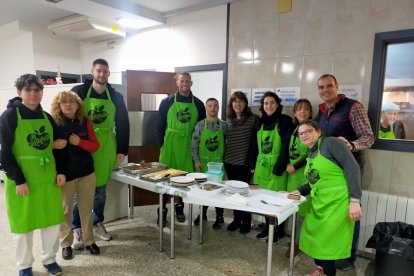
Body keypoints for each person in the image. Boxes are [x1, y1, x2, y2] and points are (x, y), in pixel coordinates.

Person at [0, 74, 65, 276]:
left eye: (37, 90)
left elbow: (58, 147)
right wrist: (18, 180)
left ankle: (49, 259)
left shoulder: (47, 117)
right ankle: (24, 265)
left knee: (51, 221)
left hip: (47, 179)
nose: (34, 94)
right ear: (19, 92)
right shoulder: (9, 117)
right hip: (22, 180)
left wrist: (61, 170)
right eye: (29, 90)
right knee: (23, 225)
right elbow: (4, 154)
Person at [315, 74, 374, 271]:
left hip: (350, 169)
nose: (325, 90)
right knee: (332, 212)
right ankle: (332, 252)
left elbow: (368, 137)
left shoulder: (353, 107)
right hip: (328, 171)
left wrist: (352, 144)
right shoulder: (321, 110)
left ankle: (347, 257)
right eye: (321, 87)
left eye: (329, 86)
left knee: (351, 211)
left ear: (337, 86)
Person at [71, 58, 130, 244]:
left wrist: (122, 149)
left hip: (105, 147)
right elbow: (66, 116)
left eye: (105, 71)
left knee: (101, 190)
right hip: (82, 145)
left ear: (109, 73)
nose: (102, 74)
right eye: (98, 71)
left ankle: (97, 223)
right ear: (92, 72)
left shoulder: (116, 97)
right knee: (78, 191)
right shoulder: (78, 92)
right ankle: (77, 228)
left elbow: (123, 124)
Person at [293, 120, 362, 276]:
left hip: (337, 202)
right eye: (300, 133)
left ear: (318, 131)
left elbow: (353, 168)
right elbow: (314, 182)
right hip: (319, 203)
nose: (304, 135)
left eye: (308, 131)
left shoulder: (331, 143)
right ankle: (321, 270)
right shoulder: (310, 153)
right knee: (315, 239)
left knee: (327, 245)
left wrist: (355, 201)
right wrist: (297, 191)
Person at [51, 91, 100, 260]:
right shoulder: (54, 123)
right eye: (64, 102)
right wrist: (53, 145)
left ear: (78, 104)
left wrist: (80, 142)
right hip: (65, 175)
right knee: (65, 211)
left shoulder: (85, 122)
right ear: (59, 105)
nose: (68, 105)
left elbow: (95, 146)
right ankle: (66, 245)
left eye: (71, 101)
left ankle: (89, 241)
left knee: (86, 210)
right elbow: (46, 149)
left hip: (86, 173)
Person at [158, 72, 206, 225]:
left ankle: (180, 208)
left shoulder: (198, 104)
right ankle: (162, 211)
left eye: (187, 81)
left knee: (185, 179)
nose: (185, 83)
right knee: (165, 180)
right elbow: (159, 126)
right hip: (170, 145)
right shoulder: (166, 102)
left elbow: (201, 129)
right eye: (181, 81)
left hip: (188, 146)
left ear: (191, 83)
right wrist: (162, 145)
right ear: (177, 83)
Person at [251, 92, 293, 242]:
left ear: (278, 104)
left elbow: (287, 145)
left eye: (272, 102)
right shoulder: (258, 122)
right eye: (266, 103)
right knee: (262, 199)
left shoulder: (285, 121)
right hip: (261, 167)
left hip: (277, 167)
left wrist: (279, 166)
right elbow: (253, 145)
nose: (269, 106)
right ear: (262, 106)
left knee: (277, 201)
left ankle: (278, 230)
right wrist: (251, 165)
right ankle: (267, 226)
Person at [224, 91, 259, 234]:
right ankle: (236, 219)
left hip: (244, 163)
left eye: (241, 101)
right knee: (233, 193)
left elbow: (256, 143)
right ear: (231, 104)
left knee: (243, 194)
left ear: (245, 103)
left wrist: (253, 163)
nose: (238, 104)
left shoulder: (254, 119)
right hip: (229, 162)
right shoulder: (228, 121)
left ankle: (246, 221)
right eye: (235, 101)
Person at [191, 98, 227, 229]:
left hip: (219, 165)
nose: (212, 108)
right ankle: (203, 213)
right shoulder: (200, 125)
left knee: (219, 190)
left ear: (218, 108)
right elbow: (194, 144)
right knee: (203, 190)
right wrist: (196, 160)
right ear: (206, 108)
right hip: (203, 164)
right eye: (210, 106)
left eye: (215, 106)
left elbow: (228, 144)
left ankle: (220, 216)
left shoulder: (224, 126)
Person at [285, 98, 313, 257]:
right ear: (295, 112)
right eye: (299, 109)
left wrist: (295, 166)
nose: (302, 112)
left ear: (310, 112)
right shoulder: (295, 129)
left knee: (302, 211)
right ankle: (295, 239)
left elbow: (310, 152)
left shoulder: (311, 129)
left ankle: (298, 243)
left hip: (303, 177)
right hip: (292, 177)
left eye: (306, 109)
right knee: (293, 209)